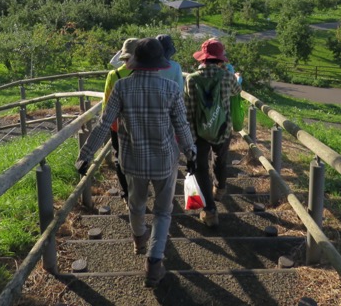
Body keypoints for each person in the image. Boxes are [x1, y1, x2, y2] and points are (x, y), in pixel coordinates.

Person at [76, 38, 197, 288]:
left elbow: (103, 123)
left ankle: (139, 238)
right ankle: (154, 263)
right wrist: (191, 153)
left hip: (132, 161)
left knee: (136, 204)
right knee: (163, 212)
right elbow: (182, 127)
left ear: (134, 62)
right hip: (165, 161)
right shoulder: (171, 89)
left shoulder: (121, 87)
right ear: (160, 64)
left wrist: (86, 155)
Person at [184, 38, 240, 228]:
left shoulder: (191, 79)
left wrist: (189, 138)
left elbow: (189, 111)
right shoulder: (227, 77)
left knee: (201, 168)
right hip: (223, 129)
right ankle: (221, 188)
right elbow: (237, 91)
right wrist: (233, 75)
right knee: (220, 159)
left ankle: (210, 211)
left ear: (202, 59)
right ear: (220, 60)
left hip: (199, 132)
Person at [103, 37, 138, 203]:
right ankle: (139, 192)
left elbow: (107, 104)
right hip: (140, 124)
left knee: (119, 159)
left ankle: (127, 194)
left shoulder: (113, 75)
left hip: (118, 125)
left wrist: (109, 124)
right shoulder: (148, 74)